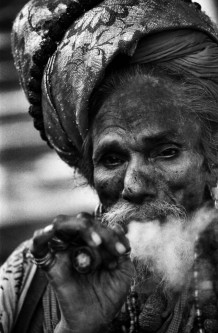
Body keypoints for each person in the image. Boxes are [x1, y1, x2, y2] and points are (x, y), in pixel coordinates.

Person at [1, 0, 218, 332]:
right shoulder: (30, 277)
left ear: (211, 158)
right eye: (112, 159)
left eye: (165, 152)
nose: (132, 184)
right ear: (90, 172)